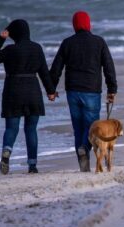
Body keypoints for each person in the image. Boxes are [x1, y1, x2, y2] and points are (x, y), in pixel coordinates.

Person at [49, 11, 117, 172]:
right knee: (91, 126)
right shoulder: (98, 42)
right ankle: (83, 147)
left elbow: (56, 67)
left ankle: (83, 165)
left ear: (74, 25)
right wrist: (112, 89)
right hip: (92, 91)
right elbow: (109, 66)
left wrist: (51, 89)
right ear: (88, 24)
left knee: (78, 127)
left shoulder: (67, 43)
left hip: (73, 91)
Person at [0, 19, 55, 174]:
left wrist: (0, 39)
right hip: (32, 90)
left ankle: (6, 151)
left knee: (11, 128)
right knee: (31, 129)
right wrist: (50, 91)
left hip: (13, 90)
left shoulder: (10, 49)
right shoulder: (37, 48)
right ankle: (32, 165)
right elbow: (44, 72)